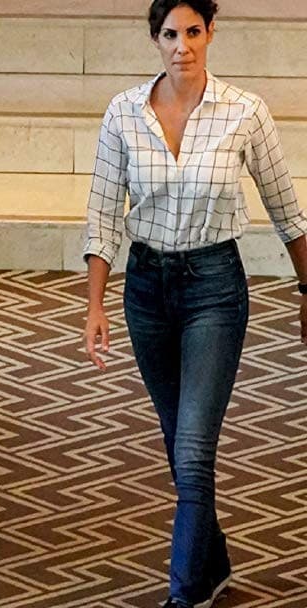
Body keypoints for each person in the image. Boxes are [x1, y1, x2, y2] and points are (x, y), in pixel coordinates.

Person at [82, 2, 307, 607]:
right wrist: (95, 305)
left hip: (214, 288)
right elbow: (102, 215)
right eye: (169, 34)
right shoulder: (123, 112)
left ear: (210, 34)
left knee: (192, 448)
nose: (181, 45)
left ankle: (184, 595)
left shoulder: (245, 112)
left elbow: (288, 213)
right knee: (178, 441)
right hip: (146, 291)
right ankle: (213, 564)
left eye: (192, 32)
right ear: (154, 39)